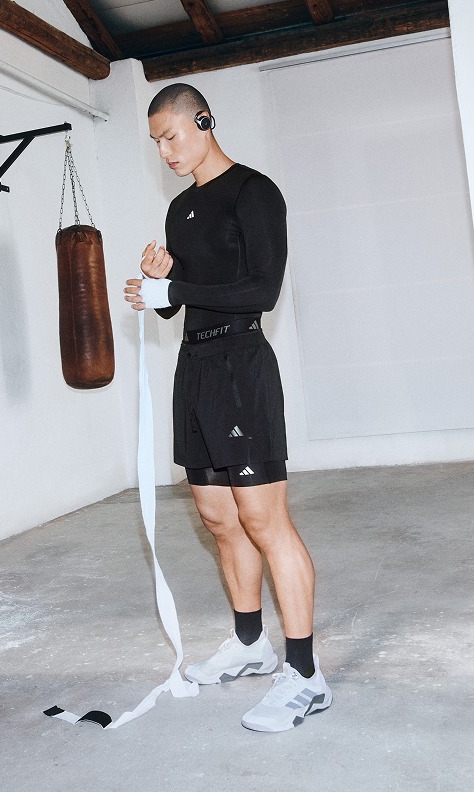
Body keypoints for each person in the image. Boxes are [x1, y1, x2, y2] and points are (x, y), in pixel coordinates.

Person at [124, 83, 332, 732]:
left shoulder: (254, 192)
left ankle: (304, 674)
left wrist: (176, 284)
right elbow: (185, 300)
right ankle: (250, 644)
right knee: (218, 517)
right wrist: (158, 290)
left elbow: (261, 291)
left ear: (204, 121)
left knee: (265, 520)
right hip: (195, 369)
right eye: (155, 141)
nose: (164, 151)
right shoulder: (180, 212)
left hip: (242, 365)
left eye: (172, 136)